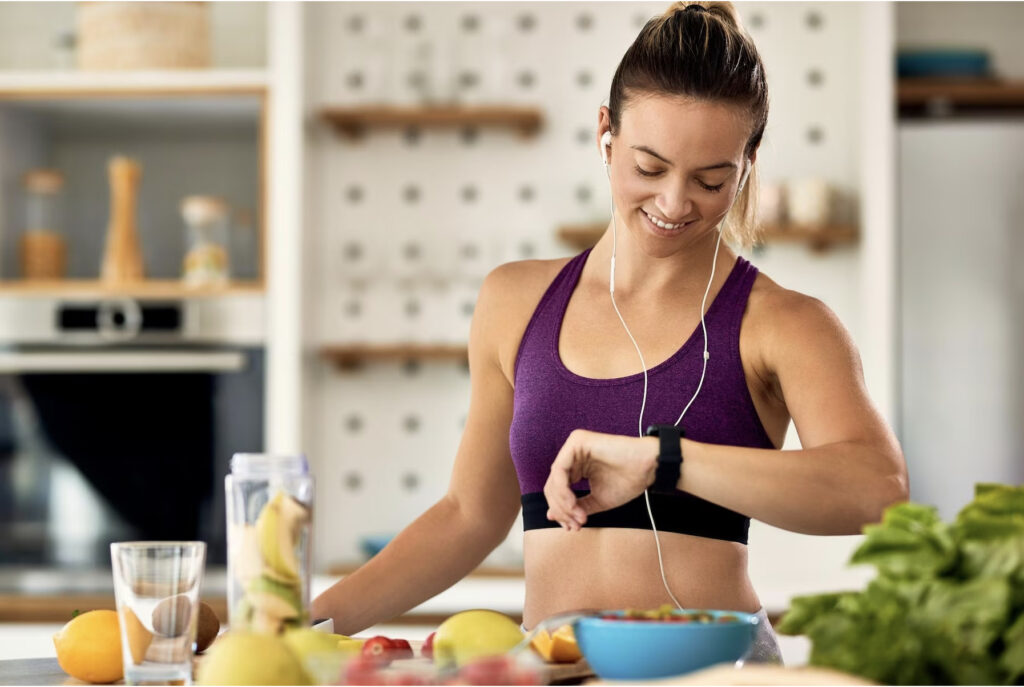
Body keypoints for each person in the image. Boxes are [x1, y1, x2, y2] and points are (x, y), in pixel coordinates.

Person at [313, 1, 908, 664]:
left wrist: (662, 459)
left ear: (748, 162)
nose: (676, 203)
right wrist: (307, 621)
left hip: (714, 676)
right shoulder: (515, 301)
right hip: (554, 671)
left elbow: (875, 489)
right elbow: (469, 515)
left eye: (713, 180)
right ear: (605, 132)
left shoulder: (785, 322)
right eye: (650, 168)